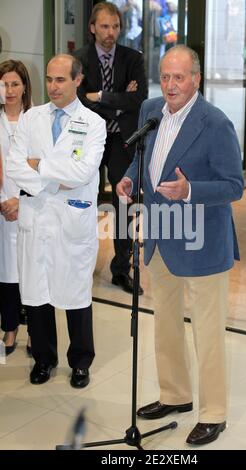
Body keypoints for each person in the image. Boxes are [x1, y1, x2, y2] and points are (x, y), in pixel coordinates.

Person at [116, 45, 243, 446]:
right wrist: (129, 180)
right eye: (166, 76)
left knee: (207, 334)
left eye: (180, 77)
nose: (171, 84)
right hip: (159, 237)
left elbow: (233, 186)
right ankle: (175, 395)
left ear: (196, 79)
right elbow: (144, 160)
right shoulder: (150, 109)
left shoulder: (215, 123)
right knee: (165, 324)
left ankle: (214, 413)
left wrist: (190, 191)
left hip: (202, 241)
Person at [7, 54, 106, 388]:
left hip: (71, 220)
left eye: (61, 79)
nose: (53, 86)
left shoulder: (93, 123)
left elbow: (82, 172)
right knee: (37, 295)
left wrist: (40, 167)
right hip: (36, 218)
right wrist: (51, 176)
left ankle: (80, 362)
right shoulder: (31, 118)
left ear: (77, 80)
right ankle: (44, 360)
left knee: (76, 294)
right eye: (49, 79)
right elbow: (13, 164)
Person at [74, 1, 148, 295]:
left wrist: (102, 96)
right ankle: (79, 264)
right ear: (92, 28)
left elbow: (139, 98)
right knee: (82, 201)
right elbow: (77, 99)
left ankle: (121, 269)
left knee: (123, 203)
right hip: (89, 140)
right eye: (104, 26)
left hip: (121, 141)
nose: (111, 32)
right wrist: (117, 102)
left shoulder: (133, 59)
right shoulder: (78, 59)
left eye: (115, 26)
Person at [0, 60, 32, 356]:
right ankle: (9, 330)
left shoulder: (35, 120)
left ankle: (36, 332)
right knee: (7, 273)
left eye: (14, 84)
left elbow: (40, 169)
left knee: (32, 272)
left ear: (24, 87)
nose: (9, 90)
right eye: (4, 84)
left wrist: (21, 201)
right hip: (1, 208)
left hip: (30, 206)